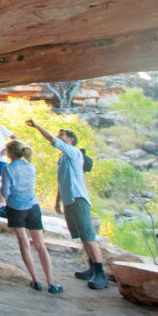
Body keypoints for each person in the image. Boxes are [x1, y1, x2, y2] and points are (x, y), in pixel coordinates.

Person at [26, 118, 108, 289]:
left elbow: (51, 140)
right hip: (70, 200)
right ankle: (92, 268)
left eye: (61, 135)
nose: (58, 136)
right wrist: (58, 200)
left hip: (78, 199)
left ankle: (101, 274)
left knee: (88, 236)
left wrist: (37, 125)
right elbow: (62, 180)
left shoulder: (73, 152)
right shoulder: (63, 158)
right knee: (82, 236)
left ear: (70, 140)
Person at [1, 139, 62, 293]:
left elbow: (5, 192)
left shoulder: (8, 169)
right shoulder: (31, 167)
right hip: (33, 206)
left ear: (11, 153)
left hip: (16, 208)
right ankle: (52, 282)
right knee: (40, 245)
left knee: (24, 243)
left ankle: (35, 280)